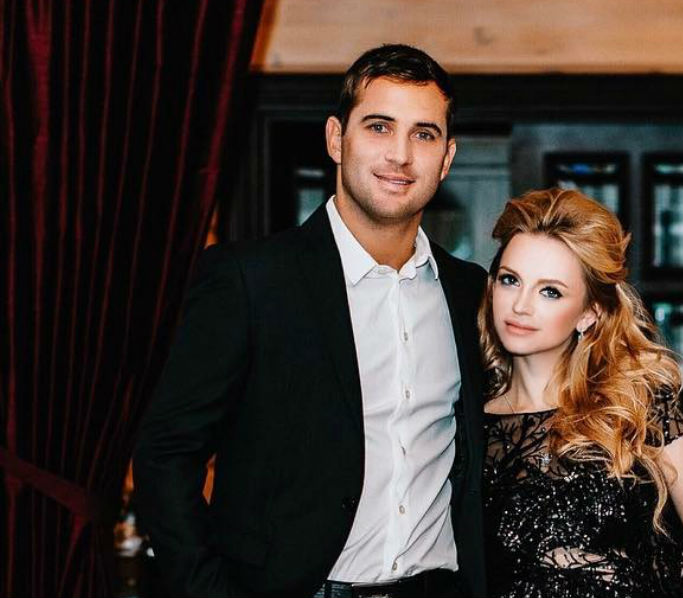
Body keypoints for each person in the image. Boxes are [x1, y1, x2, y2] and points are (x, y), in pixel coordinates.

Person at [133, 44, 488, 597]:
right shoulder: (249, 280)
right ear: (335, 139)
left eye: (424, 134)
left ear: (446, 158)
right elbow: (165, 454)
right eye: (379, 127)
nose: (400, 154)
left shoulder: (469, 292)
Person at [478, 188, 683, 598]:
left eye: (550, 291)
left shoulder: (644, 406)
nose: (521, 305)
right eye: (510, 280)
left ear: (589, 313)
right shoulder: (470, 423)